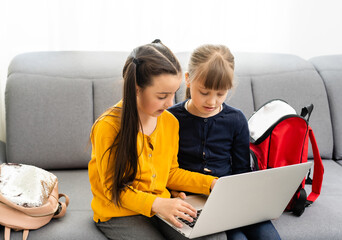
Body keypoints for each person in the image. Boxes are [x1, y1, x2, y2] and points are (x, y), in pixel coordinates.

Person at [88, 40, 227, 240]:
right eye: (162, 96)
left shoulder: (170, 122)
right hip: (120, 213)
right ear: (136, 88)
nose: (170, 103)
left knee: (214, 236)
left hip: (162, 206)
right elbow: (114, 191)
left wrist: (212, 183)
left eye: (173, 94)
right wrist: (157, 204)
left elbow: (169, 173)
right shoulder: (108, 127)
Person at [168, 44, 282, 240]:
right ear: (188, 79)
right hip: (192, 201)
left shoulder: (236, 120)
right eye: (204, 92)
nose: (212, 102)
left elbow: (242, 171)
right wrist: (171, 190)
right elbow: (165, 168)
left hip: (231, 199)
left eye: (220, 94)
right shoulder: (171, 119)